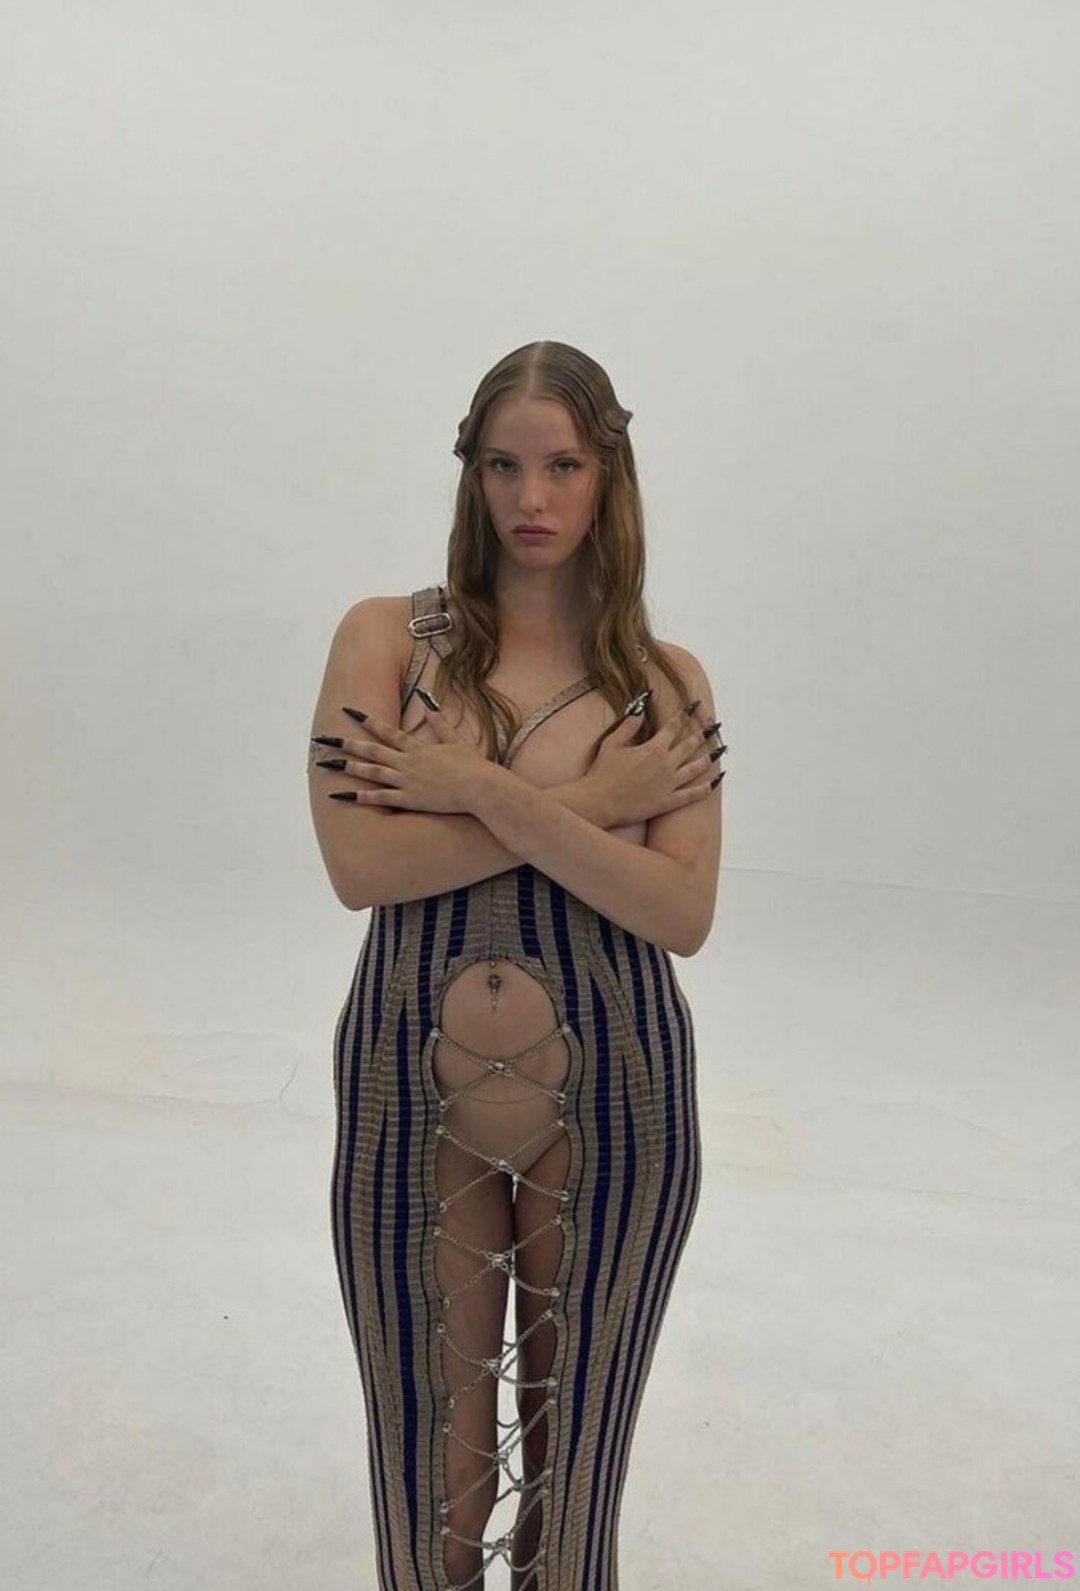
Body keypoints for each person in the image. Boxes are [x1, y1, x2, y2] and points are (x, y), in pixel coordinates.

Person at [306, 340, 726, 1591]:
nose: (530, 499)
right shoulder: (389, 641)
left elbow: (681, 910)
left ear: (609, 475)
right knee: (432, 1478)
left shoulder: (664, 684)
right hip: (410, 1093)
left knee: (571, 1482)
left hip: (616, 1100)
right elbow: (359, 866)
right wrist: (597, 806)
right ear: (470, 474)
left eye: (563, 466)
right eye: (502, 466)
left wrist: (468, 786)